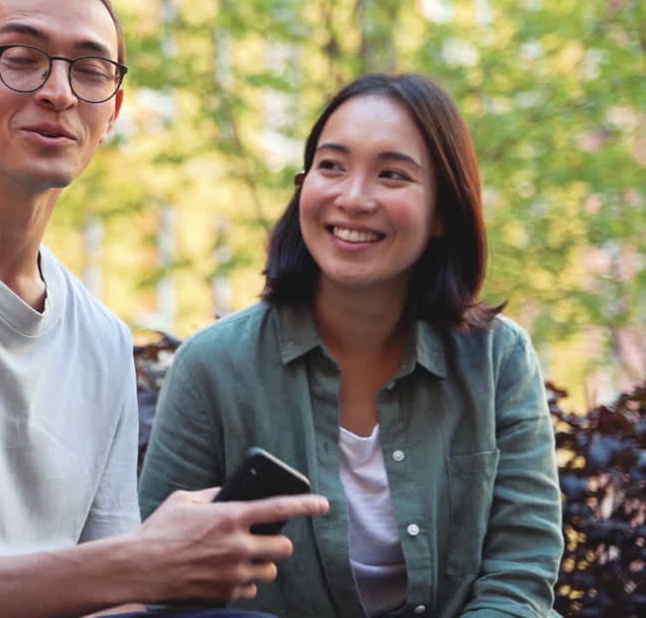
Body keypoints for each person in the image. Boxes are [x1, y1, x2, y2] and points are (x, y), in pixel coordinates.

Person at [0, 0, 328, 618]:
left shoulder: (101, 336)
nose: (60, 92)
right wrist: (132, 565)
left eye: (90, 71)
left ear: (113, 111)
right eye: (21, 58)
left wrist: (147, 572)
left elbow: (113, 597)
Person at [139, 73, 564, 618]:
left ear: (443, 211)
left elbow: (520, 577)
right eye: (332, 166)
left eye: (392, 174)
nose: (354, 198)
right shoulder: (212, 365)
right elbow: (166, 589)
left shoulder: (499, 360)